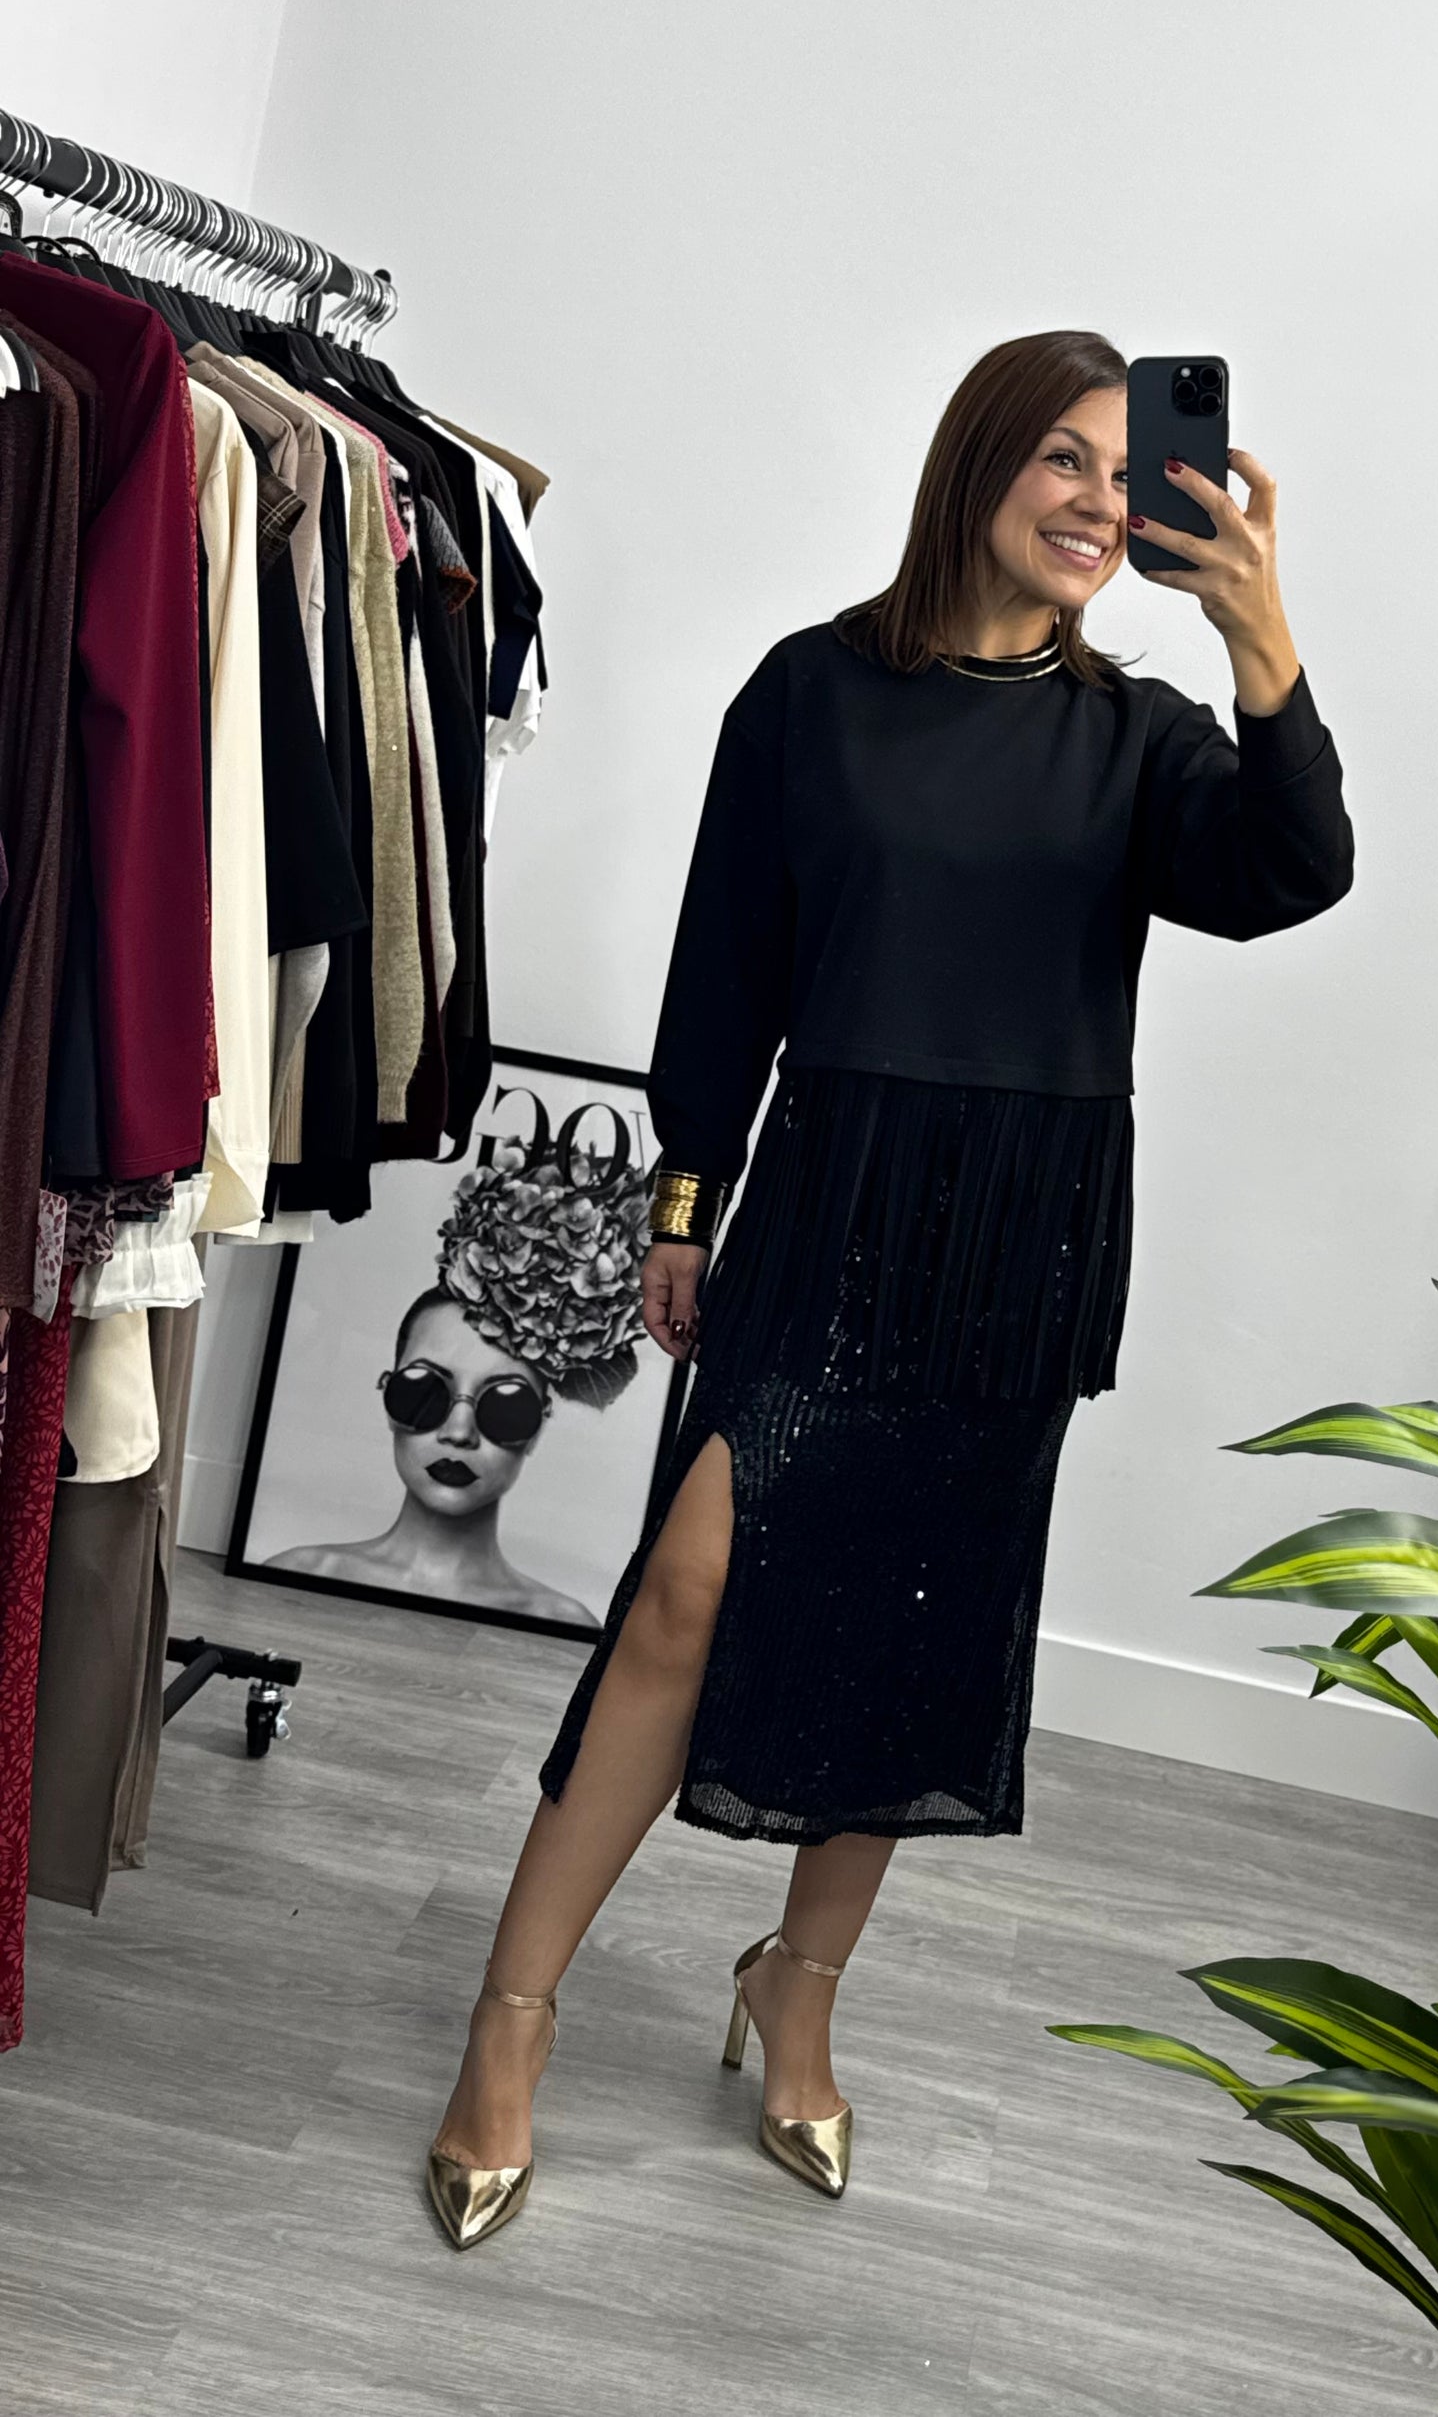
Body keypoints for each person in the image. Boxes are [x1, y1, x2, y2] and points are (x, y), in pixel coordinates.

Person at [426, 329, 1354, 2247]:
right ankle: (510, 2017)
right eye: (1067, 459)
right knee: (686, 1594)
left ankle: (799, 1992)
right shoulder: (810, 694)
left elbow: (1290, 871)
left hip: (1022, 1232)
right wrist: (684, 1200)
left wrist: (1259, 634)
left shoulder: (1141, 737)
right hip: (832, 1196)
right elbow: (725, 969)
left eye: (1133, 474)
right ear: (980, 463)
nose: (1100, 502)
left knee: (914, 1625)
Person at [269, 1147, 650, 1629]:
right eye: (423, 1391)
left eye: (505, 1405)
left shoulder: (565, 1625)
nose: (458, 1432)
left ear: (539, 1425)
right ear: (387, 1396)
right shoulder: (296, 1576)